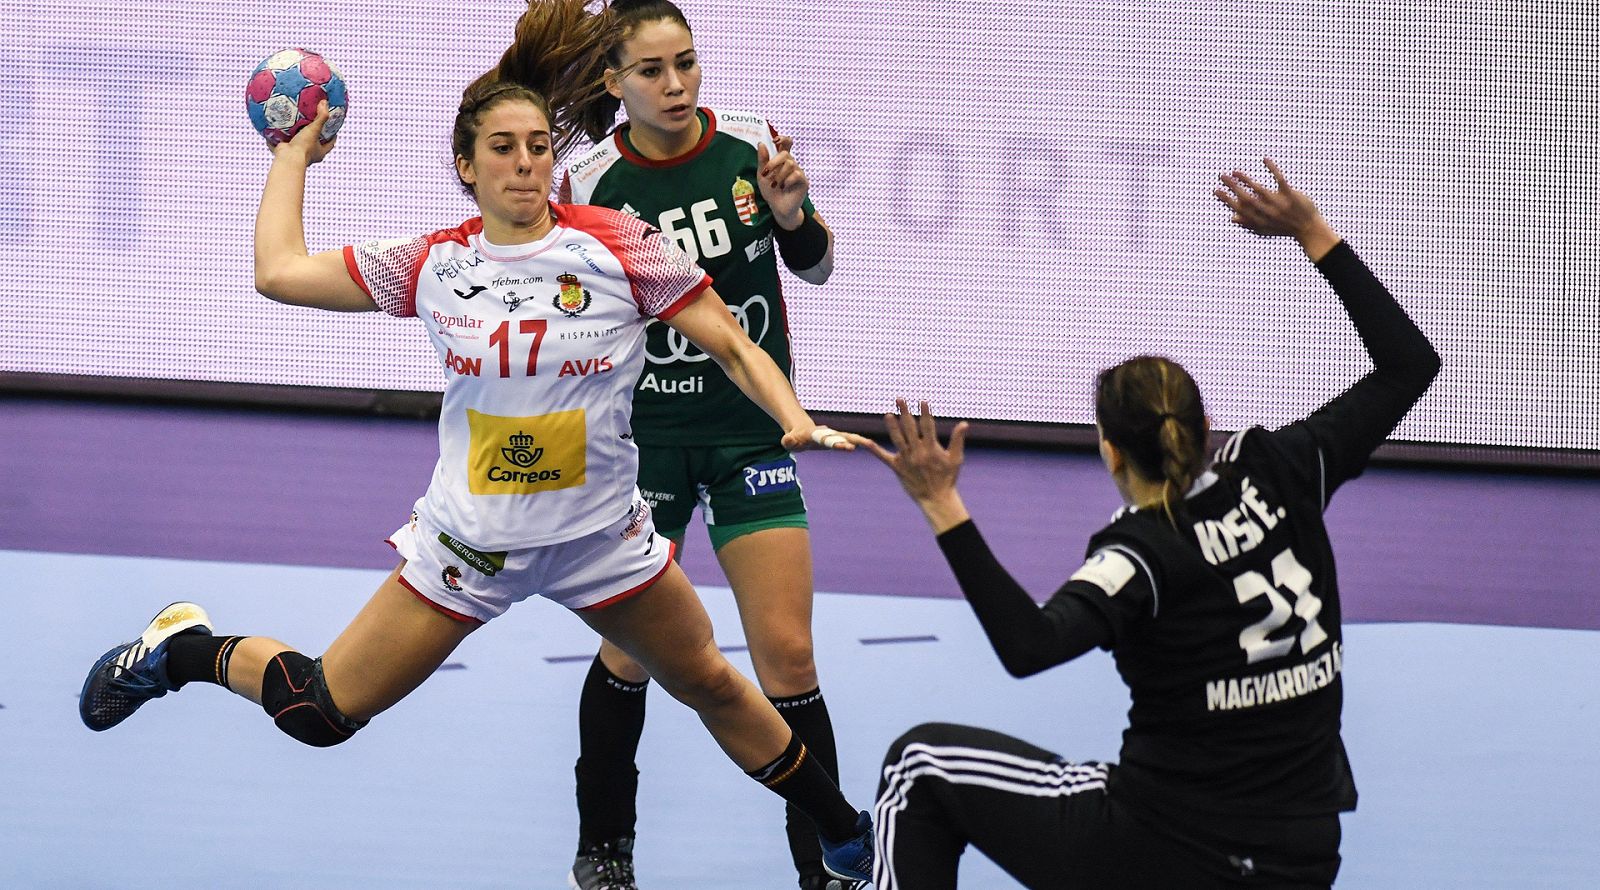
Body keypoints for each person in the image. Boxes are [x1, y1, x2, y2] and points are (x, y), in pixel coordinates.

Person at [75, 3, 874, 883]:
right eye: (503, 147)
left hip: (599, 546)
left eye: (538, 145)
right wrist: (292, 156)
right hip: (468, 550)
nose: (526, 162)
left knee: (717, 687)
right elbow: (278, 272)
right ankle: (182, 648)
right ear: (467, 165)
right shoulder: (431, 266)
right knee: (320, 712)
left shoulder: (619, 248)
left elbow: (732, 342)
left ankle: (842, 828)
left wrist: (791, 414)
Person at [861, 160, 1441, 888]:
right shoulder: (1285, 468)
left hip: (1166, 852)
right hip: (1303, 861)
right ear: (1205, 427)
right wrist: (1310, 232)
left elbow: (1028, 646)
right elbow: (1409, 365)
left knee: (921, 768)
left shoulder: (1135, 557)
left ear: (1109, 452)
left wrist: (942, 505)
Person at [492, 2, 844, 887]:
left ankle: (826, 860)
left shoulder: (750, 147)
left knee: (789, 656)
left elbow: (816, 267)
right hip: (639, 448)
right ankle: (604, 848)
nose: (677, 84)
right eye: (652, 71)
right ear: (613, 83)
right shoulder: (590, 182)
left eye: (687, 63)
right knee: (630, 655)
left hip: (747, 435)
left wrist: (793, 217)